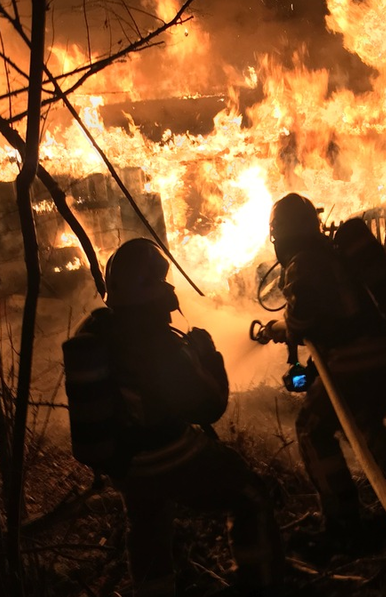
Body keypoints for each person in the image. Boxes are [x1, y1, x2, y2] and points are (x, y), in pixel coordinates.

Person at [66, 238, 283, 597]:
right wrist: (207, 356)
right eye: (163, 280)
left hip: (125, 465)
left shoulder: (95, 330)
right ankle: (262, 584)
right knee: (250, 493)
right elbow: (208, 407)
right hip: (170, 455)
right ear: (152, 285)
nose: (169, 289)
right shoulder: (158, 344)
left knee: (147, 528)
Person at [261, 193, 386, 551]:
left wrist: (277, 329)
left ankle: (342, 520)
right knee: (365, 425)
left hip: (353, 364)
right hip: (384, 359)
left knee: (312, 430)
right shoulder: (334, 255)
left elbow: (302, 320)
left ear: (279, 234)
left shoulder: (303, 263)